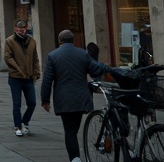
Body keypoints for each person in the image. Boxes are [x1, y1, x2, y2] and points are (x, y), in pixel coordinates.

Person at [41, 29, 114, 162]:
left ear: (60, 41)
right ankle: (75, 156)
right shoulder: (83, 54)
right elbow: (94, 70)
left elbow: (47, 80)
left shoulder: (53, 55)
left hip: (64, 99)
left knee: (69, 131)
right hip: (81, 98)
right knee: (74, 128)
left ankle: (75, 159)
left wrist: (45, 100)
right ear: (73, 40)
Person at [3, 19, 40, 137]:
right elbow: (8, 58)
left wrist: (36, 73)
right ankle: (17, 126)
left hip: (28, 78)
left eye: (23, 29)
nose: (21, 30)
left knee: (32, 103)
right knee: (17, 103)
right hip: (15, 78)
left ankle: (25, 122)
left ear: (26, 28)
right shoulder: (10, 41)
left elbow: (35, 59)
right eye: (19, 29)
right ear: (15, 29)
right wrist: (19, 70)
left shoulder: (32, 42)